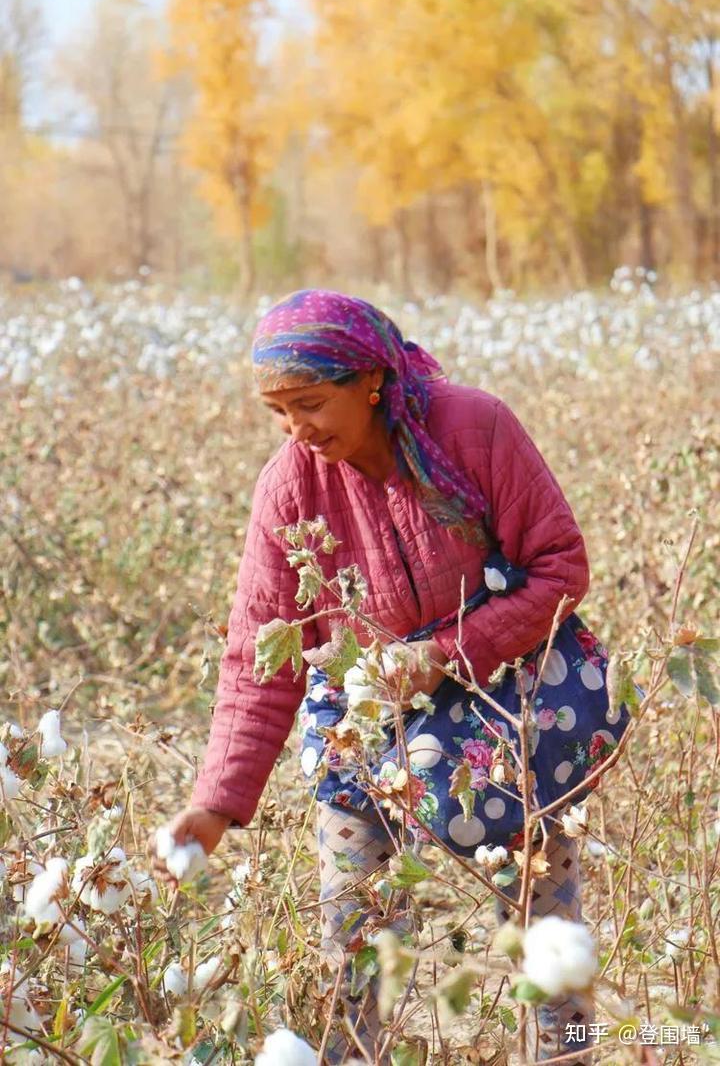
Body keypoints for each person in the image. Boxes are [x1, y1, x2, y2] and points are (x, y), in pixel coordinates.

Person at [151, 289, 594, 1064]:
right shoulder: (288, 489)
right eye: (278, 412)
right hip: (361, 734)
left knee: (546, 944)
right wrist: (215, 803)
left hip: (506, 714)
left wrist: (443, 655)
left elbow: (559, 568)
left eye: (312, 403)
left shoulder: (473, 429)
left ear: (372, 381)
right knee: (355, 950)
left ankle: (567, 1055)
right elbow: (261, 656)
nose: (298, 430)